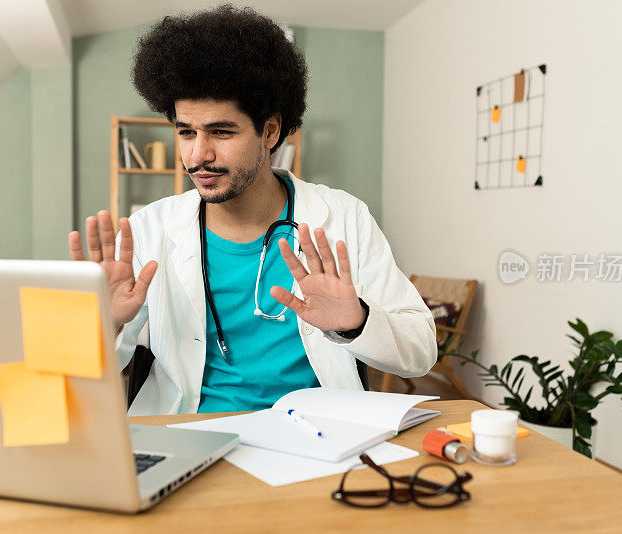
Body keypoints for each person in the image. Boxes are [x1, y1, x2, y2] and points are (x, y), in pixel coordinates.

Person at [68, 5, 436, 415]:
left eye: (221, 132)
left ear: (271, 131)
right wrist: (107, 323)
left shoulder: (344, 217)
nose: (198, 155)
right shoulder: (148, 230)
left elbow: (420, 352)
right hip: (191, 435)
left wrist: (355, 321)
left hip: (318, 436)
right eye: (186, 132)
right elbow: (79, 377)